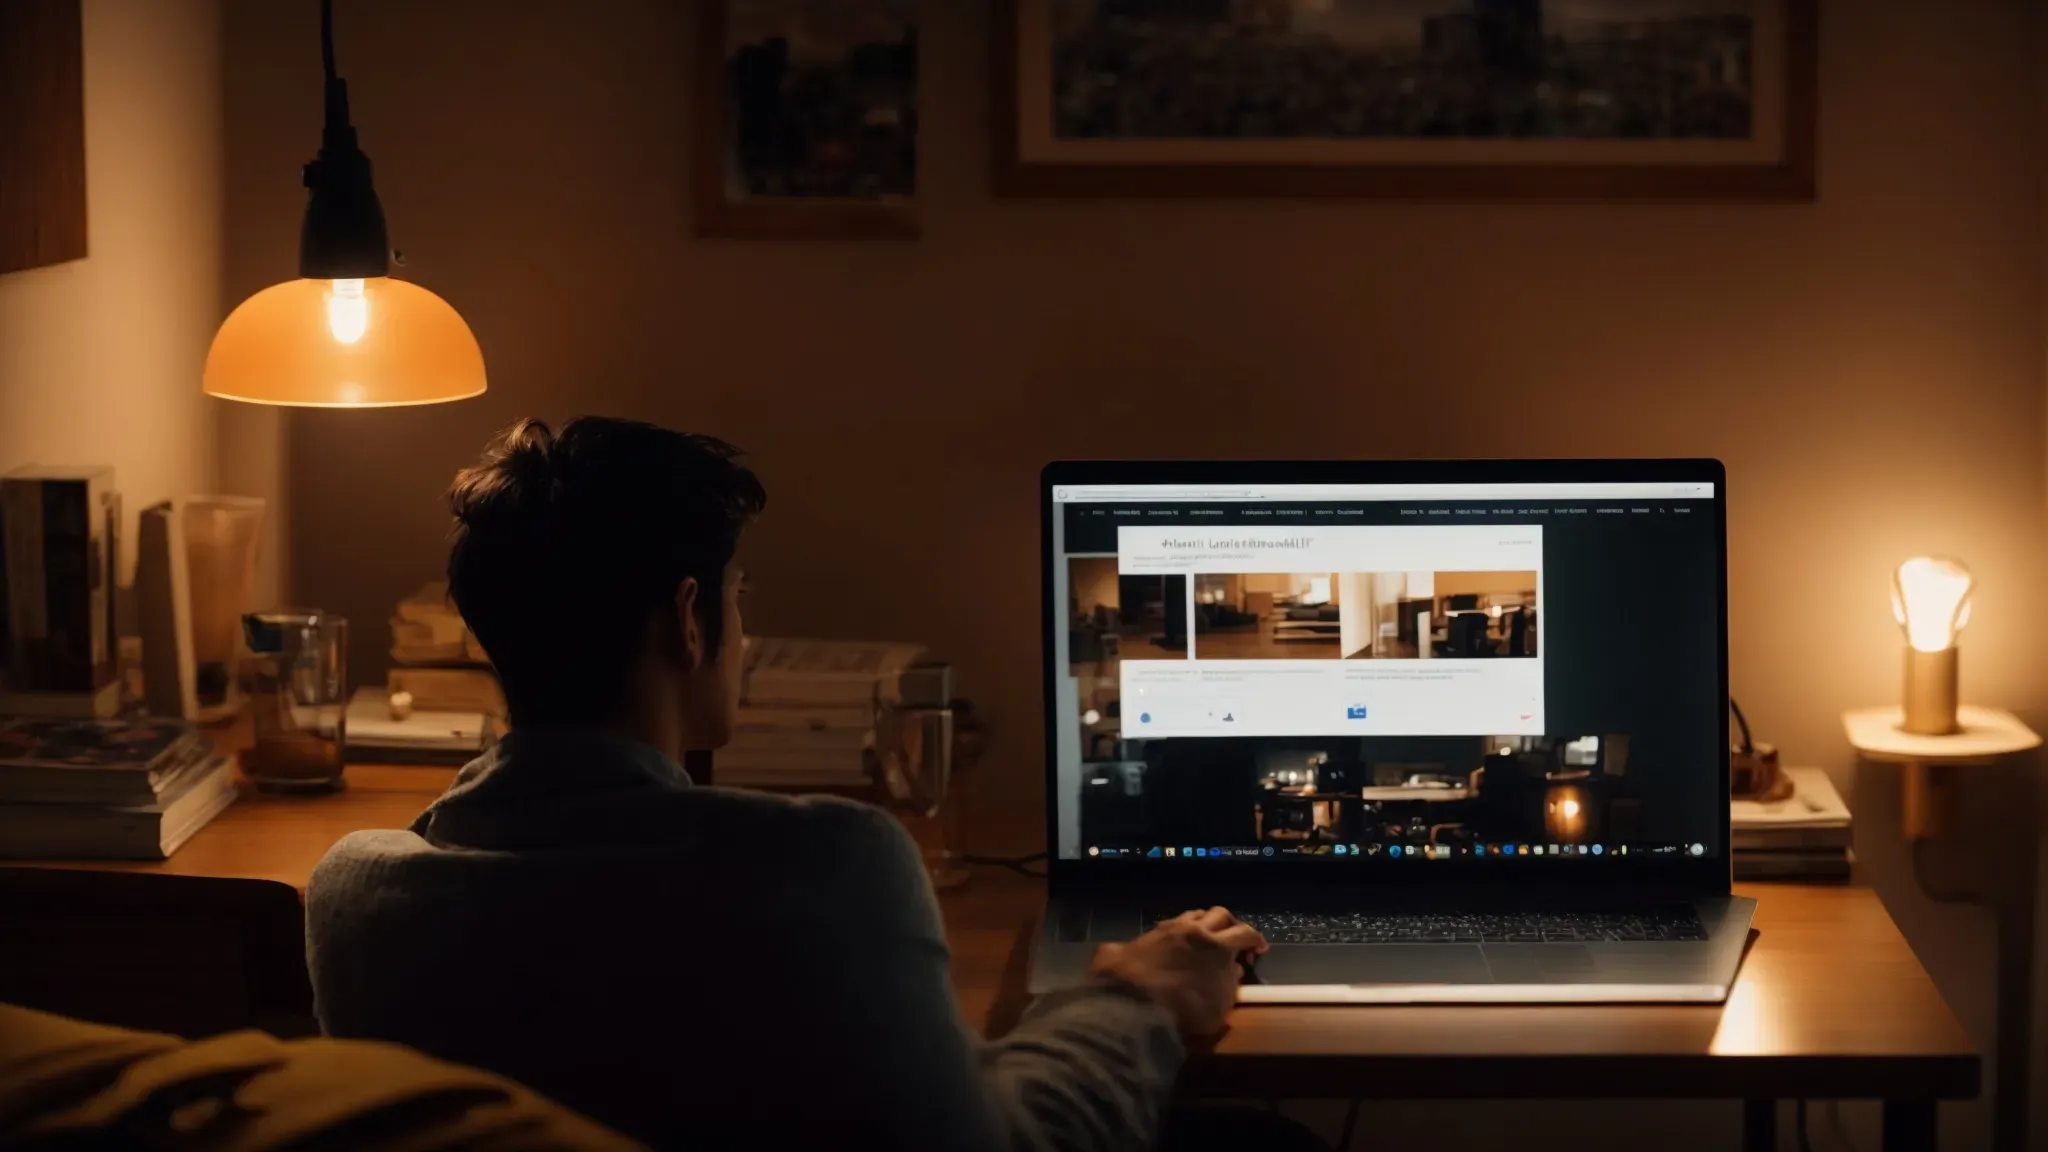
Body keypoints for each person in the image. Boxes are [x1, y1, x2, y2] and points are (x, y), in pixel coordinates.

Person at [305, 417, 1271, 1151]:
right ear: (690, 619)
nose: (744, 635)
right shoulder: (820, 869)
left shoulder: (356, 894)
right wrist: (1134, 997)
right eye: (737, 598)